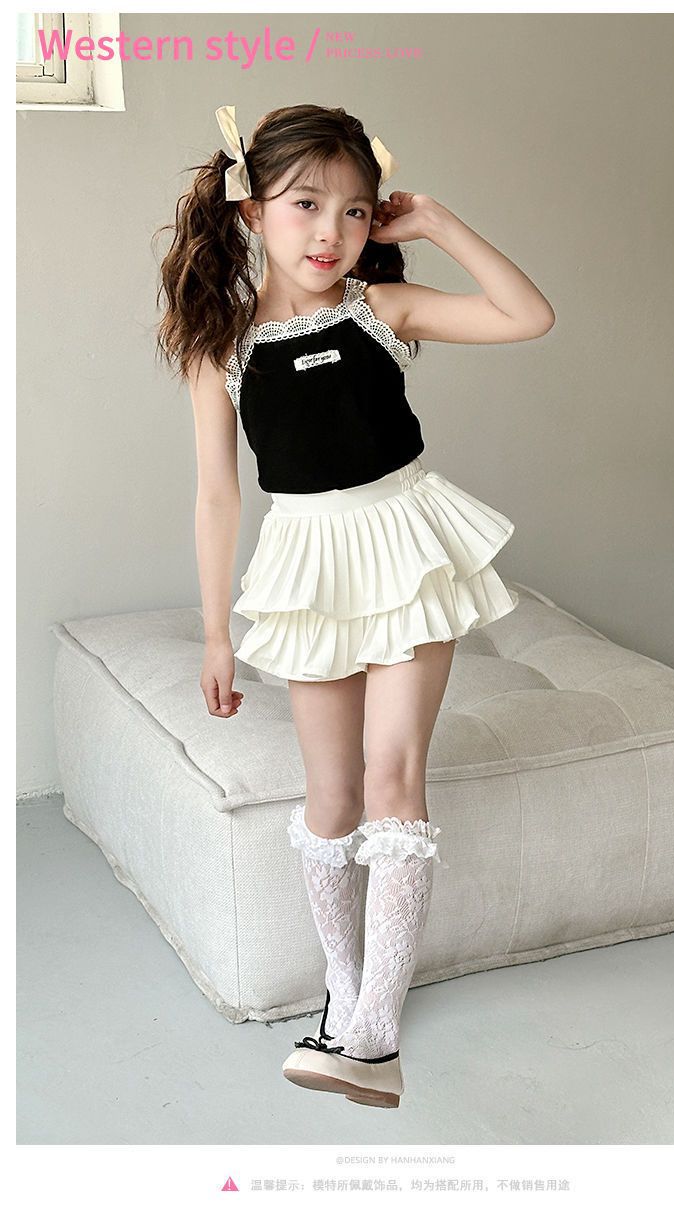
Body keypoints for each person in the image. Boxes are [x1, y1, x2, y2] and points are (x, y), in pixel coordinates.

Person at [154, 102, 555, 1109]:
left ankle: (374, 1027)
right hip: (309, 563)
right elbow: (216, 495)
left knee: (391, 775)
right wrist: (216, 631)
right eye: (305, 205)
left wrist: (441, 223)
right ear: (252, 211)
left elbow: (528, 316)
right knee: (329, 796)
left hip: (407, 547)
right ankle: (346, 983)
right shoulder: (221, 346)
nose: (331, 231)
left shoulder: (385, 308)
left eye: (355, 210)